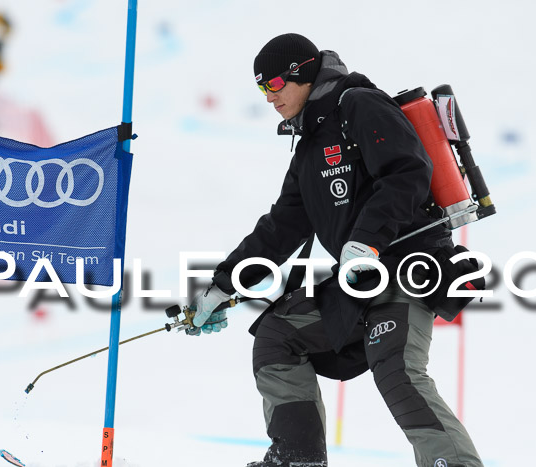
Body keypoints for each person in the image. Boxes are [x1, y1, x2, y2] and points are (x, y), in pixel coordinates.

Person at [190, 33, 484, 467]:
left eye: (274, 84)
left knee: (396, 370)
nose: (269, 97)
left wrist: (365, 240)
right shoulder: (310, 144)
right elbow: (281, 227)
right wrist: (222, 286)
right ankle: (298, 458)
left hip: (407, 268)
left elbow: (408, 172)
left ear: (302, 73)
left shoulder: (359, 105)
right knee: (278, 336)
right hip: (359, 281)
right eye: (261, 88)